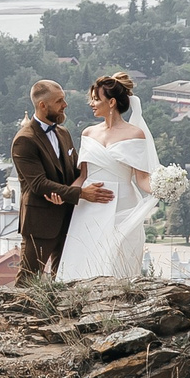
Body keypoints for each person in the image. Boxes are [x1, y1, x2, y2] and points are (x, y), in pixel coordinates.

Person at [55, 72, 160, 281]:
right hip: (88, 207)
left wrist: (163, 187)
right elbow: (83, 176)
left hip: (122, 205)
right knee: (83, 260)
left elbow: (142, 179)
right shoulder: (88, 133)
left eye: (96, 99)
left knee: (117, 262)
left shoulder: (135, 134)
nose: (91, 104)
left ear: (111, 102)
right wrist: (65, 194)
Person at [9, 79, 111, 283]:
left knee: (65, 279)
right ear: (42, 105)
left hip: (70, 220)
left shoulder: (63, 133)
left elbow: (74, 172)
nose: (65, 105)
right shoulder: (24, 140)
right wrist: (82, 194)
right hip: (40, 222)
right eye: (59, 101)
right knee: (27, 281)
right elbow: (38, 184)